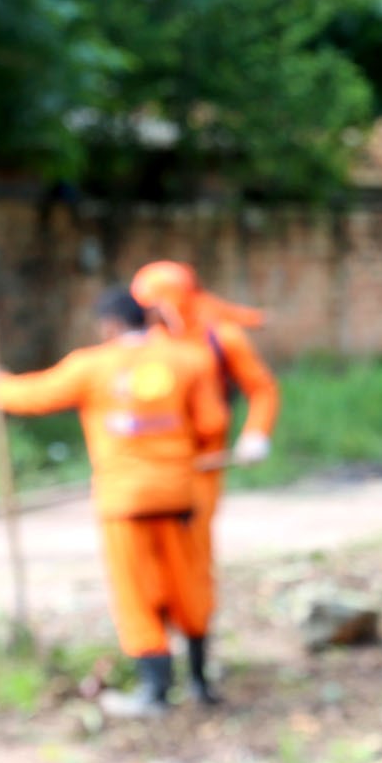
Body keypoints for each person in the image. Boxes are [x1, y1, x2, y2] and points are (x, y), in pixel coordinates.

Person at [0, 286, 224, 716]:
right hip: (180, 494)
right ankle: (201, 684)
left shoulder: (92, 366)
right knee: (189, 585)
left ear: (110, 325)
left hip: (125, 502)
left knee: (137, 594)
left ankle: (154, 692)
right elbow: (212, 424)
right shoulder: (189, 360)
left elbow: (31, 396)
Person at [130, 260, 280, 700]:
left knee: (191, 562)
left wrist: (255, 435)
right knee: (145, 567)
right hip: (148, 473)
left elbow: (262, 389)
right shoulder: (144, 346)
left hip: (200, 470)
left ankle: (197, 670)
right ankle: (155, 668)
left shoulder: (221, 337)